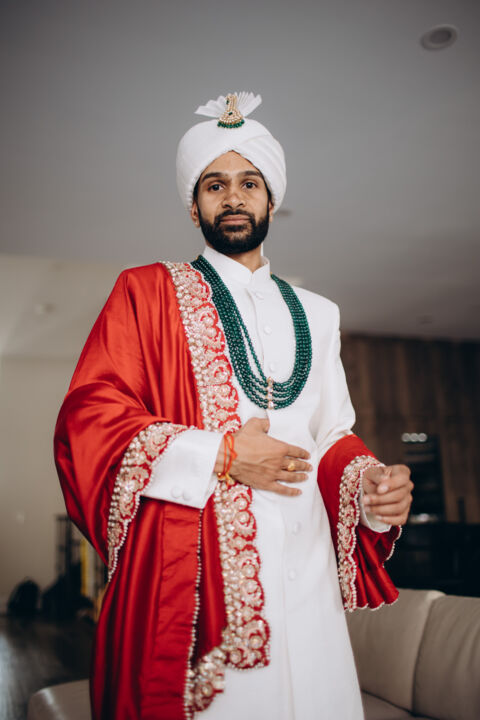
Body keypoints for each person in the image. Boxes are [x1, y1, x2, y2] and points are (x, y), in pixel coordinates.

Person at [54, 92, 413, 720]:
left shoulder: (320, 314)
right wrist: (218, 454)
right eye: (214, 185)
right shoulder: (145, 292)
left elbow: (332, 434)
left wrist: (370, 486)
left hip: (308, 572)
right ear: (193, 207)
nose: (233, 197)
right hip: (202, 578)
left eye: (249, 183)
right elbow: (88, 418)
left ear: (271, 199)